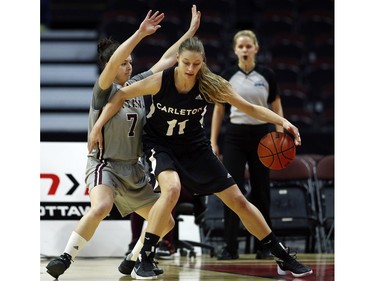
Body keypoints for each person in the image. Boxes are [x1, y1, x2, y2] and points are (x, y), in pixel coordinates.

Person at [88, 37, 313, 279]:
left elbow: (249, 107)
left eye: (196, 64)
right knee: (171, 190)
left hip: (195, 147)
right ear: (178, 61)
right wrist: (98, 124)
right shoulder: (161, 80)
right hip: (160, 145)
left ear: (202, 62)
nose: (190, 69)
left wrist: (283, 121)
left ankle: (281, 255)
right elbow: (120, 95)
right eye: (185, 63)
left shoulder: (210, 84)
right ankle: (146, 256)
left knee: (238, 200)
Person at [45, 6, 201, 279]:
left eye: (131, 62)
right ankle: (66, 256)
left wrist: (189, 34)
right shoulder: (103, 90)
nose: (128, 66)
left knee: (166, 222)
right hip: (105, 165)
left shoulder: (139, 85)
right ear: (109, 67)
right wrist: (140, 33)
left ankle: (132, 258)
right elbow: (117, 58)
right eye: (123, 63)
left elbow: (167, 59)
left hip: (134, 168)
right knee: (102, 207)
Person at [210, 29, 284, 260]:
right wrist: (213, 141)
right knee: (233, 192)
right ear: (235, 50)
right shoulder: (227, 75)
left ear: (256, 48)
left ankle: (264, 247)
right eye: (240, 46)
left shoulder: (267, 75)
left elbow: (276, 107)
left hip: (263, 136)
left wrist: (280, 135)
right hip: (235, 137)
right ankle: (230, 247)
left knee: (262, 191)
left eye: (248, 46)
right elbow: (219, 110)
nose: (244, 49)